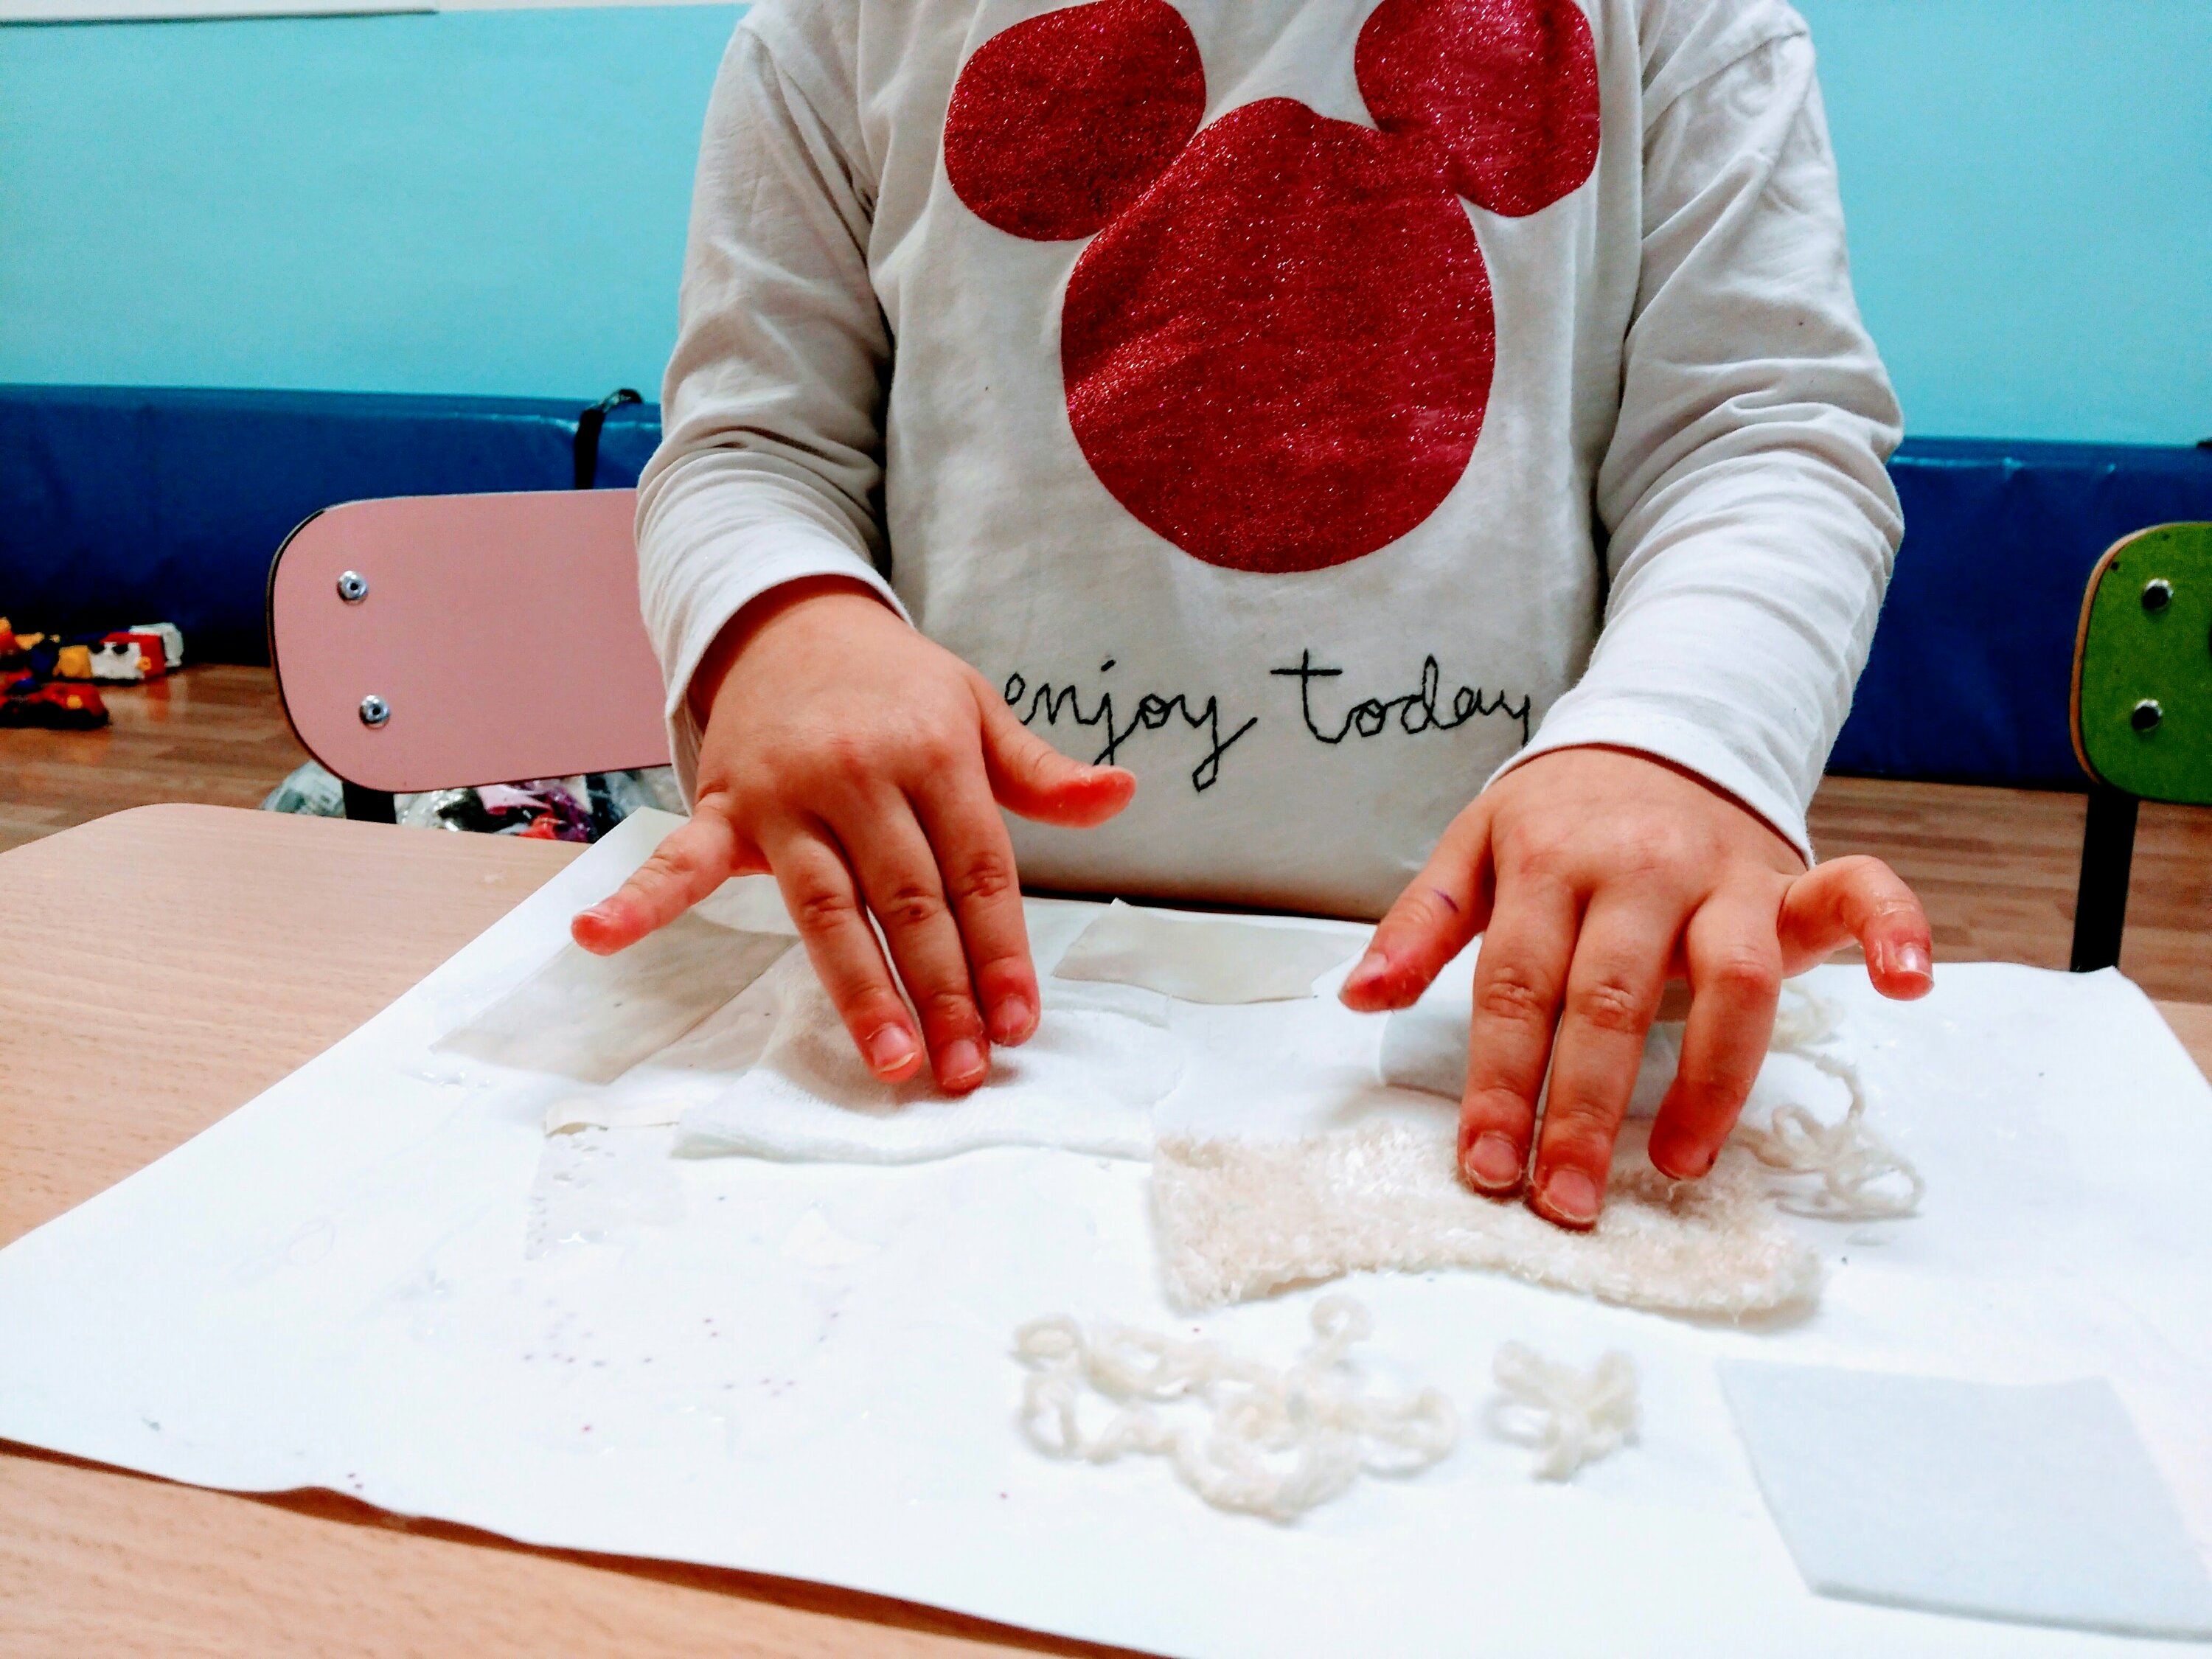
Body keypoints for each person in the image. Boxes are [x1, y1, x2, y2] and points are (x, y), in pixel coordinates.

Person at [573, 0, 1934, 1230]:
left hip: (1511, 999)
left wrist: (1678, 738)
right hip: (960, 987)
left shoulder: (1680, 24)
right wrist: (791, 623)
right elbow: (754, 448)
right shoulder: (843, 24)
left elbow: (1763, 440)